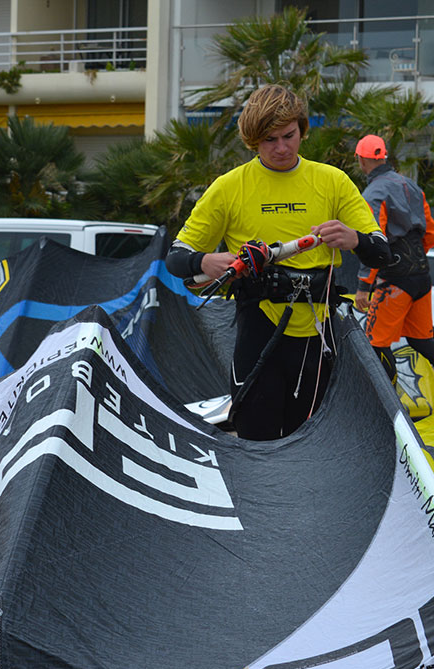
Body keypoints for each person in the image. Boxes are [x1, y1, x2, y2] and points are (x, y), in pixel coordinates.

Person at [166, 85, 391, 441]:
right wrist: (205, 260)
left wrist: (355, 239)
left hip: (319, 338)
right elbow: (176, 258)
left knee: (318, 448)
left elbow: (382, 252)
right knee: (258, 446)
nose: (282, 148)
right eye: (270, 140)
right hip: (259, 333)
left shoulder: (332, 181)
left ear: (302, 130)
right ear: (253, 140)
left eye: (289, 136)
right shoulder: (229, 187)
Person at [353, 134, 434, 402]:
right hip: (421, 274)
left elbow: (374, 239)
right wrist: (415, 259)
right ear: (383, 157)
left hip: (395, 279)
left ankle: (388, 405)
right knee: (422, 340)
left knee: (375, 343)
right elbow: (430, 232)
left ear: (360, 159)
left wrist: (363, 284)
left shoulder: (373, 193)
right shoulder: (411, 186)